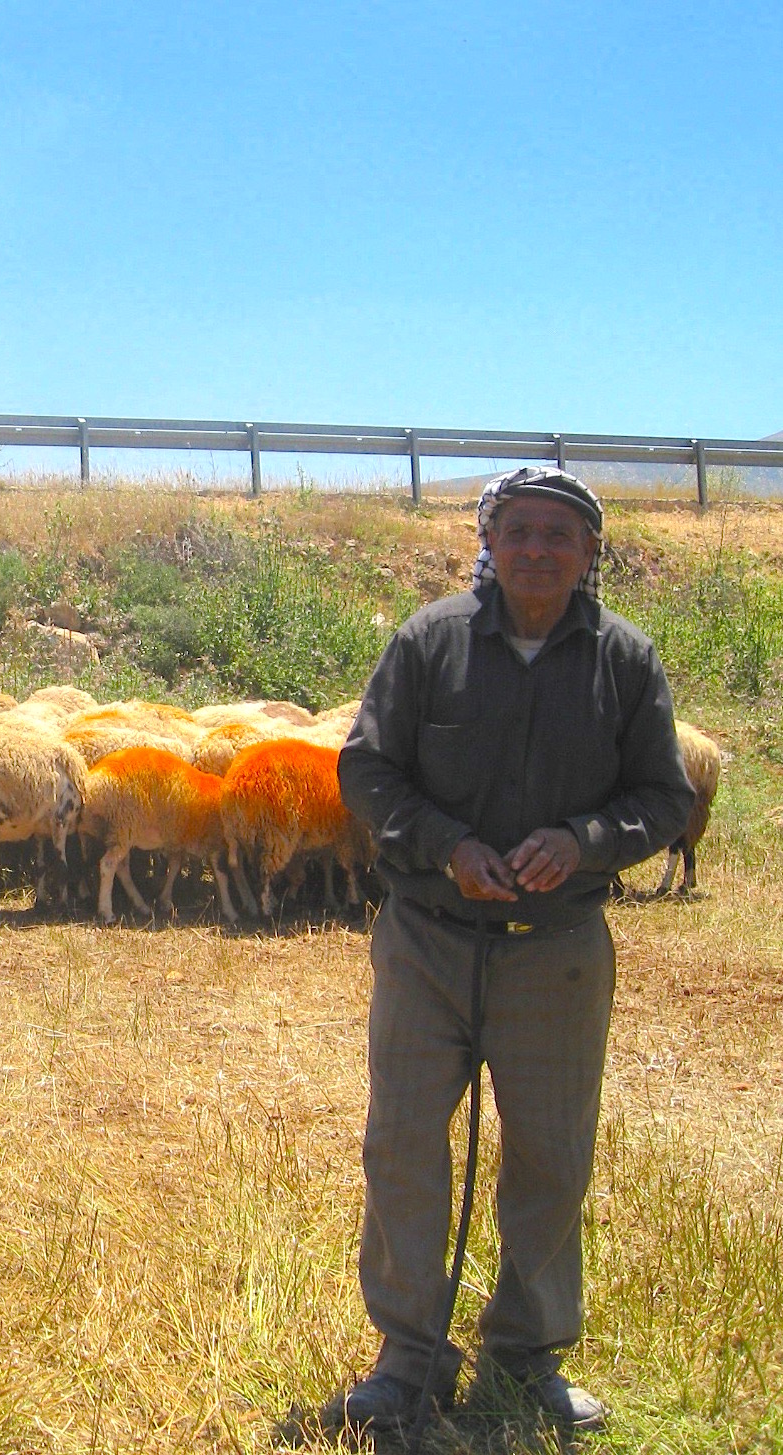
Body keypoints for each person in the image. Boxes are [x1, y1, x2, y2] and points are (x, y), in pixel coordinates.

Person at [325, 466, 694, 1436]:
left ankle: (525, 1359)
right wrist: (445, 845)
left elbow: (662, 796)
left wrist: (584, 841)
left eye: (556, 535)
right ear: (487, 541)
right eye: (517, 531)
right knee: (402, 1143)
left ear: (587, 552)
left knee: (548, 1152)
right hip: (426, 941)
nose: (535, 549)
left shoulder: (622, 660)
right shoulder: (429, 641)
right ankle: (406, 1359)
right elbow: (364, 768)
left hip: (556, 947)